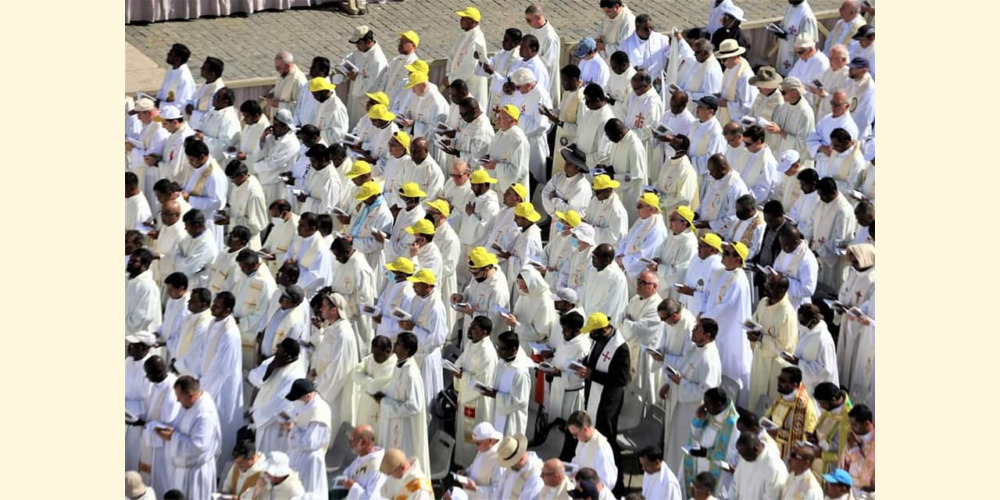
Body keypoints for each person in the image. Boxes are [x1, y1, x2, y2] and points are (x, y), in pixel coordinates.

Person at [658, 317, 721, 476]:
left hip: (691, 412)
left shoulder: (709, 360)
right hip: (679, 406)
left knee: (681, 449)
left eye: (697, 329)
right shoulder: (696, 348)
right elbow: (682, 369)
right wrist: (669, 384)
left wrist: (681, 383)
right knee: (673, 446)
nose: (693, 330)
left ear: (707, 335)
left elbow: (706, 392)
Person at [575, 312, 629, 489]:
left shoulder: (620, 348)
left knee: (607, 440)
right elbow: (593, 358)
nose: (590, 335)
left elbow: (621, 380)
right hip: (594, 395)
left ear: (604, 330)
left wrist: (593, 374)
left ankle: (617, 483)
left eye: (593, 332)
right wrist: (582, 364)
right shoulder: (598, 339)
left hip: (608, 402)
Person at [700, 241, 753, 404]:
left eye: (729, 253)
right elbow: (707, 293)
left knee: (729, 368)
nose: (724, 255)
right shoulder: (719, 272)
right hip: (712, 323)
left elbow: (727, 308)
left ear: (738, 260)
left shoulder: (738, 281)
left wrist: (706, 316)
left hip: (728, 332)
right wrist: (702, 311)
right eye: (725, 251)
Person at [198, 291, 244, 473]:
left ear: (227, 310)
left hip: (220, 390)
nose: (212, 308)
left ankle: (217, 470)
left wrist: (203, 391)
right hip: (206, 380)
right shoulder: (213, 323)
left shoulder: (230, 333)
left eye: (216, 306)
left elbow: (221, 370)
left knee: (220, 427)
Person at [374, 332, 430, 472]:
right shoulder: (399, 366)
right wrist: (385, 395)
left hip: (404, 429)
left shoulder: (412, 373)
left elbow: (414, 406)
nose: (394, 345)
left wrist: (385, 402)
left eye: (398, 344)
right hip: (393, 423)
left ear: (407, 350)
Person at [162, 375, 221, 500]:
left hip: (195, 474)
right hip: (182, 470)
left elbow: (198, 445)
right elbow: (180, 424)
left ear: (191, 395)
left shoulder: (205, 414)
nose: (177, 400)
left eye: (179, 396)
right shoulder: (188, 404)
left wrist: (173, 436)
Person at [747, 274, 798, 414]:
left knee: (768, 408)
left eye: (770, 287)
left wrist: (761, 339)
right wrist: (751, 333)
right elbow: (754, 320)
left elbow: (785, 346)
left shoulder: (787, 314)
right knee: (755, 397)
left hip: (774, 366)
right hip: (759, 359)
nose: (765, 289)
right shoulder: (763, 302)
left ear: (782, 291)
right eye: (766, 285)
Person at [247, 338, 306, 455]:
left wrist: (256, 416)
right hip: (261, 419)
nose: (276, 351)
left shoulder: (295, 375)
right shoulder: (275, 361)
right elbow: (252, 376)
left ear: (286, 355)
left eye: (279, 350)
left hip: (273, 424)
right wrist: (270, 369)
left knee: (268, 453)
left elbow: (281, 404)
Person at [400, 269, 448, 407]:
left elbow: (437, 340)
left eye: (417, 284)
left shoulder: (436, 309)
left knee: (425, 397)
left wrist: (413, 328)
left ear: (427, 286)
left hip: (427, 357)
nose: (413, 287)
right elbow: (413, 320)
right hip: (415, 354)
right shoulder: (417, 298)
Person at [835, 243, 875, 403]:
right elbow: (845, 292)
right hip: (848, 322)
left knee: (857, 366)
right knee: (845, 359)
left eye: (856, 261)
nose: (852, 264)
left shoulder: (873, 279)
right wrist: (841, 307)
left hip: (863, 333)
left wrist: (859, 314)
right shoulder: (854, 273)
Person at [682, 388, 738, 497]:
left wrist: (705, 453)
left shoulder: (732, 424)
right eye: (705, 402)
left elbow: (728, 457)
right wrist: (698, 419)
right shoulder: (709, 412)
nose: (705, 407)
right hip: (698, 464)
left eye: (708, 404)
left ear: (719, 404)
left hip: (716, 473)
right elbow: (694, 436)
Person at [282, 378, 332, 498]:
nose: (297, 402)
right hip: (299, 456)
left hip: (310, 461)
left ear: (307, 396)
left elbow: (311, 443)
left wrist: (292, 428)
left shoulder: (319, 411)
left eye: (298, 398)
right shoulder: (306, 404)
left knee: (309, 493)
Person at [621, 270, 663, 402]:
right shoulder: (634, 299)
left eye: (643, 283)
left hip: (643, 357)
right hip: (629, 350)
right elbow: (623, 320)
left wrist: (627, 322)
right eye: (638, 281)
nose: (638, 285)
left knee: (640, 397)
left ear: (654, 287)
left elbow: (636, 332)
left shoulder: (657, 306)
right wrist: (629, 323)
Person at [452, 247, 510, 341]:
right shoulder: (479, 274)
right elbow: (470, 289)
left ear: (487, 269)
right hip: (471, 329)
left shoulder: (497, 289)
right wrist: (461, 297)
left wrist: (472, 312)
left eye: (475, 273)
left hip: (485, 337)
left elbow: (494, 320)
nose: (473, 276)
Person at [330, 236, 377, 352]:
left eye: (338, 255)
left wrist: (339, 299)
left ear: (347, 252)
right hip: (342, 316)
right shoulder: (344, 261)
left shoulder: (360, 267)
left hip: (356, 320)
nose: (336, 259)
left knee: (356, 351)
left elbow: (364, 299)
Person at [810, 178, 857, 291]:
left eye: (823, 195)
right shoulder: (822, 201)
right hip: (816, 252)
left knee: (827, 289)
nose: (821, 198)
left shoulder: (844, 211)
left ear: (833, 192)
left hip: (831, 261)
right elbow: (812, 222)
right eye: (819, 194)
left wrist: (818, 252)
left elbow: (840, 240)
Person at [765, 367, 820, 462]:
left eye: (782, 380)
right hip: (772, 446)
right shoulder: (785, 396)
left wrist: (777, 433)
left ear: (794, 385)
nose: (778, 382)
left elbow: (802, 438)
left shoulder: (803, 408)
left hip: (787, 454)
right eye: (779, 378)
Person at [482, 330, 532, 436]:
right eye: (497, 347)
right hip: (497, 412)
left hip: (511, 420)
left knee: (508, 448)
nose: (498, 351)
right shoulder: (502, 362)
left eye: (502, 349)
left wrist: (495, 395)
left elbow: (520, 402)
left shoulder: (520, 372)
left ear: (513, 350)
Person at [337, 27, 389, 127]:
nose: (356, 46)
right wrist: (343, 67)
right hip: (354, 97)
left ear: (368, 42)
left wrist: (356, 78)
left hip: (364, 102)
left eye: (359, 43)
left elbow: (371, 85)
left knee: (359, 126)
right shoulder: (362, 50)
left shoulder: (377, 60)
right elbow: (350, 58)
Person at [181, 140, 228, 250]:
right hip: (195, 217)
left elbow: (216, 202)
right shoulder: (200, 168)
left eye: (192, 159)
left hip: (207, 220)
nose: (190, 163)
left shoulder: (214, 176)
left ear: (202, 157)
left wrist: (189, 199)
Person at [602, 118, 647, 221]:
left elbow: (636, 177)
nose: (609, 139)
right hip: (616, 189)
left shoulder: (634, 147)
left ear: (620, 134)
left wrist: (614, 177)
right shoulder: (618, 140)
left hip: (629, 195)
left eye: (610, 136)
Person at [351, 336, 396, 439]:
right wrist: (369, 381)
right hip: (364, 405)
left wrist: (364, 380)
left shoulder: (393, 366)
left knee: (376, 437)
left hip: (379, 408)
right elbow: (355, 374)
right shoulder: (370, 358)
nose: (375, 357)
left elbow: (374, 388)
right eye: (373, 353)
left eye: (378, 354)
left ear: (388, 351)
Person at [447, 7, 489, 110]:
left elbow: (469, 65)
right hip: (458, 84)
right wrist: (448, 74)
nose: (460, 20)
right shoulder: (465, 35)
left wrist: (452, 81)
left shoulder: (477, 39)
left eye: (464, 18)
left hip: (469, 86)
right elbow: (453, 55)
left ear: (472, 21)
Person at [483, 104, 531, 196]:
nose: (498, 120)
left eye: (502, 117)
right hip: (495, 184)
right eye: (498, 116)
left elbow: (518, 172)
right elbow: (491, 152)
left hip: (511, 192)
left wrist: (496, 166)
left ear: (513, 120)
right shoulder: (500, 133)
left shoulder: (519, 140)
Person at [696, 154, 750, 234]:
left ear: (723, 168)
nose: (710, 174)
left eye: (712, 171)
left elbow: (733, 218)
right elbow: (706, 201)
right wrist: (696, 214)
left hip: (719, 233)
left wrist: (709, 225)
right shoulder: (717, 178)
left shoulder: (736, 188)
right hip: (704, 228)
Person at [767, 78, 815, 166]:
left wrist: (780, 132)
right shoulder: (784, 106)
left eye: (783, 92)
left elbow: (802, 144)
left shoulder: (805, 113)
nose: (781, 95)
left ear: (794, 93)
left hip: (795, 162)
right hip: (779, 154)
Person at [809, 382, 854, 476]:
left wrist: (821, 454)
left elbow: (844, 454)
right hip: (817, 460)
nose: (821, 407)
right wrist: (814, 437)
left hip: (831, 468)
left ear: (833, 400)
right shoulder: (831, 409)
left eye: (822, 403)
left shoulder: (849, 419)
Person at [126, 332, 155, 472]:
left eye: (133, 345)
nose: (129, 347)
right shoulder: (128, 361)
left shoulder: (150, 366)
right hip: (125, 416)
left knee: (134, 458)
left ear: (144, 348)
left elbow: (150, 398)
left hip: (138, 421)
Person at [568, 411, 618, 491]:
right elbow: (578, 460)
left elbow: (608, 481)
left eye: (575, 434)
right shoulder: (583, 440)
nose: (574, 437)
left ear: (585, 429)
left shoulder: (601, 448)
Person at [731, 432, 788, 500]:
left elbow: (773, 497)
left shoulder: (774, 467)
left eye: (744, 454)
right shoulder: (746, 455)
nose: (742, 458)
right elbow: (736, 484)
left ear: (756, 449)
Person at [580, 244, 628, 324]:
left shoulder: (617, 277)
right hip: (585, 319)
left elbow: (612, 306)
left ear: (607, 260)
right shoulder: (592, 271)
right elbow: (584, 295)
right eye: (592, 256)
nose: (592, 259)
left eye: (595, 257)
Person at [454, 422, 504, 498]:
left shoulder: (499, 460)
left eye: (478, 443)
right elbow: (475, 467)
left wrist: (476, 489)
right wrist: (466, 472)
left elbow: (498, 490)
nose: (476, 447)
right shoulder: (484, 449)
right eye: (474, 443)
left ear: (490, 441)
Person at [715, 40, 757, 125]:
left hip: (737, 123)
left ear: (734, 57)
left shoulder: (745, 75)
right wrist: (719, 95)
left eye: (724, 59)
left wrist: (725, 104)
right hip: (725, 116)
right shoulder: (730, 68)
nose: (722, 63)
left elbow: (746, 106)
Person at [342, 424, 388, 498]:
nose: (350, 443)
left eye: (352, 439)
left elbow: (373, 498)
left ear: (363, 443)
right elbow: (348, 472)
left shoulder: (378, 467)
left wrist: (353, 487)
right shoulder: (363, 456)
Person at [575, 84, 616, 168]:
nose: (586, 104)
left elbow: (604, 152)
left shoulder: (606, 119)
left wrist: (585, 158)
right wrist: (575, 145)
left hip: (592, 166)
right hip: (580, 161)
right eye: (585, 100)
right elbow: (580, 132)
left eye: (588, 101)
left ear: (597, 100)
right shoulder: (589, 112)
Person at [775, 0, 819, 76]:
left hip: (796, 57)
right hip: (784, 50)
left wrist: (786, 36)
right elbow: (786, 24)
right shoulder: (791, 7)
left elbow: (807, 43)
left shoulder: (806, 16)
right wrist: (779, 28)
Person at [584, 175, 628, 247]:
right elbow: (588, 217)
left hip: (608, 249)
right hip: (591, 242)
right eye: (595, 191)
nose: (596, 195)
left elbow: (614, 236)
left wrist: (591, 230)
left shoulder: (616, 209)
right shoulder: (595, 199)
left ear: (608, 190)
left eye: (598, 192)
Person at [495, 434, 545, 499]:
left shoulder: (535, 475)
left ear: (521, 459)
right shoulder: (513, 467)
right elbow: (500, 489)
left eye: (510, 463)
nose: (509, 467)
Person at [127, 249, 163, 336]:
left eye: (135, 261)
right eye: (130, 260)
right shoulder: (128, 280)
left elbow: (143, 318)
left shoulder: (147, 287)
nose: (130, 263)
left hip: (138, 337)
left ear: (145, 265)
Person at [787, 35, 829, 108]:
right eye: (796, 52)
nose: (798, 55)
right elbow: (791, 76)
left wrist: (804, 87)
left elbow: (821, 89)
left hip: (809, 105)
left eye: (800, 52)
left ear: (811, 49)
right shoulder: (802, 59)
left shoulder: (822, 62)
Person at [810, 45, 850, 119]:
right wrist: (816, 91)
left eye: (833, 58)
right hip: (821, 111)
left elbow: (845, 100)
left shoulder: (848, 76)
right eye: (829, 58)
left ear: (843, 60)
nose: (829, 61)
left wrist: (825, 95)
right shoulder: (828, 71)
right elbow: (821, 86)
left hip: (833, 114)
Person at [158, 44, 196, 108]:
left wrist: (160, 104)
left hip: (173, 114)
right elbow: (163, 89)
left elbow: (181, 105)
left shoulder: (184, 78)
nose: (168, 54)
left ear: (177, 59)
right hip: (162, 107)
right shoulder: (172, 68)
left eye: (171, 54)